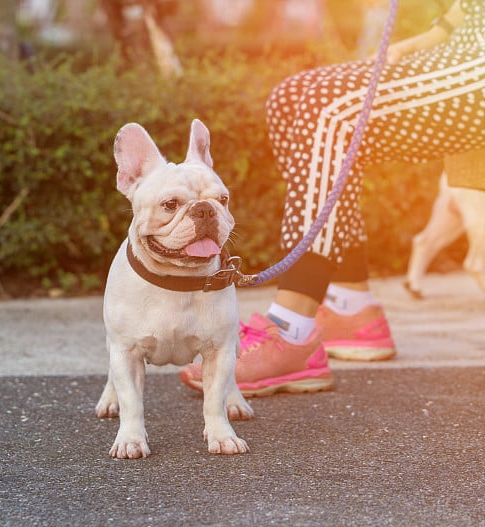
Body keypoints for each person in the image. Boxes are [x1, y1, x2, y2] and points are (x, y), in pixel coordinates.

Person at [180, 0, 485, 396]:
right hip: (462, 49)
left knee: (327, 111)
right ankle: (348, 304)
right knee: (290, 97)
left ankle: (292, 329)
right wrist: (424, 41)